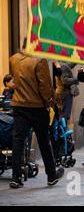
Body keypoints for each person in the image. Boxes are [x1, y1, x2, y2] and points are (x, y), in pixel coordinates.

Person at [9, 39, 64, 188]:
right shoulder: (39, 61)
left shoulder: (13, 59)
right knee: (44, 141)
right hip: (37, 107)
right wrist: (49, 104)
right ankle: (51, 175)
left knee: (18, 141)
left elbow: (15, 81)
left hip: (19, 105)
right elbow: (45, 86)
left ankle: (15, 177)